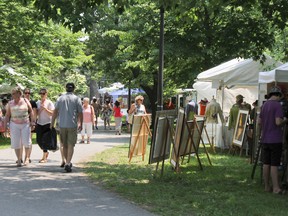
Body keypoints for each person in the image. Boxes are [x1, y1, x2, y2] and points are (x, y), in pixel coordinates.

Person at [258, 86, 288, 194]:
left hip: (265, 138)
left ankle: (267, 186)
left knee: (266, 163)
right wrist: (285, 120)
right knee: (274, 164)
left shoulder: (264, 105)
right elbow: (278, 122)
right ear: (278, 95)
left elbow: (259, 122)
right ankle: (276, 188)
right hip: (275, 139)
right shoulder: (277, 106)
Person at [51, 83, 83, 172]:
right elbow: (80, 112)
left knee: (64, 145)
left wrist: (52, 123)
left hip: (62, 125)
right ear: (73, 89)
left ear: (66, 88)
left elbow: (55, 112)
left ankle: (67, 162)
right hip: (72, 124)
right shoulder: (77, 99)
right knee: (70, 145)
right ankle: (68, 162)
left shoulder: (60, 98)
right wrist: (81, 123)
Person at [4, 87, 35, 167]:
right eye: (12, 93)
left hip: (25, 124)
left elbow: (31, 111)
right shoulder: (10, 103)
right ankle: (19, 159)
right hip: (14, 124)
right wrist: (5, 126)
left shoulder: (25, 101)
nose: (12, 95)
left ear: (19, 93)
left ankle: (27, 158)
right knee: (16, 142)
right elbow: (7, 115)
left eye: (14, 93)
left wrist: (32, 122)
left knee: (26, 141)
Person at [36, 88, 55, 163]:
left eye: (43, 93)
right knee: (38, 140)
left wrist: (45, 109)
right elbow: (36, 114)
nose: (42, 95)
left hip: (47, 123)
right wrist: (40, 109)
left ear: (46, 94)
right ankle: (46, 153)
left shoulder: (49, 102)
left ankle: (44, 158)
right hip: (40, 123)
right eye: (41, 93)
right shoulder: (38, 103)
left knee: (45, 140)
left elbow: (52, 113)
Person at [23, 88, 37, 163]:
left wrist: (33, 123)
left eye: (29, 93)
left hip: (29, 123)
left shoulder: (32, 102)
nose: (27, 94)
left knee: (29, 140)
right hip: (21, 123)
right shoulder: (20, 102)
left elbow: (34, 113)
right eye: (26, 93)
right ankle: (21, 157)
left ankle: (27, 157)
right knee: (21, 141)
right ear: (23, 94)